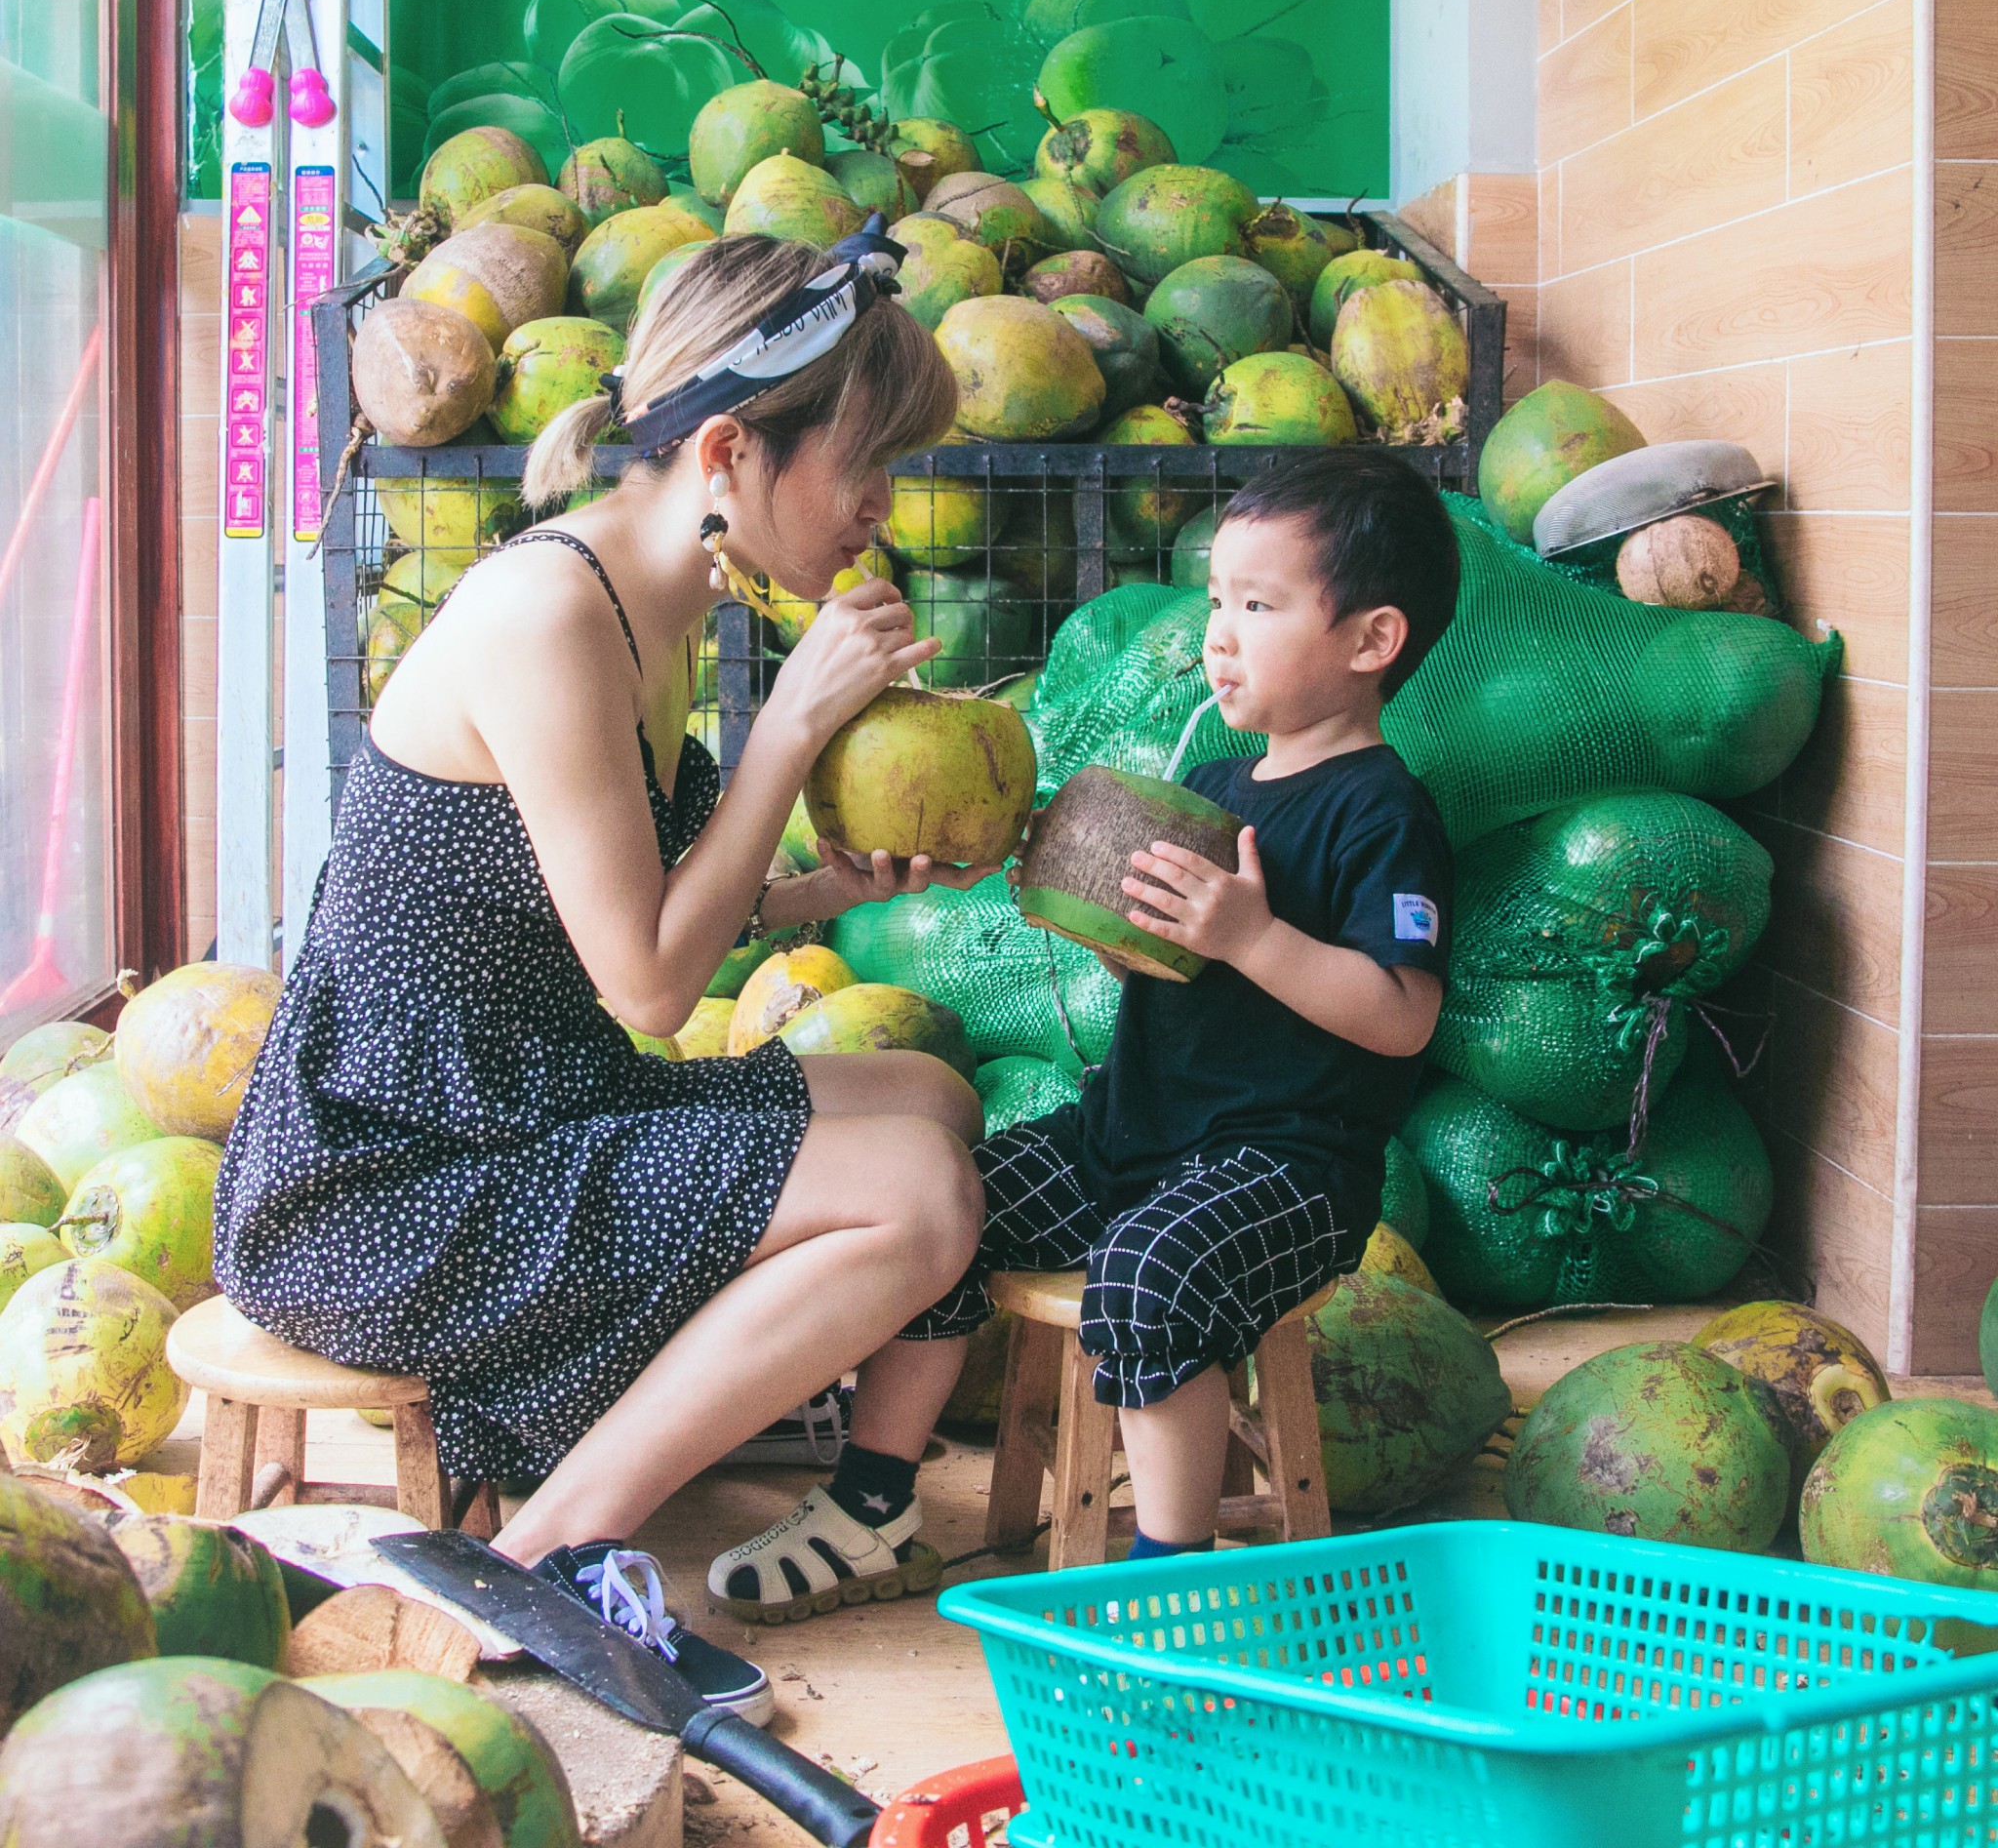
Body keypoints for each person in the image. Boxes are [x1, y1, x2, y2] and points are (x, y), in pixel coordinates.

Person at [215, 224, 995, 1724]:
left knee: (930, 1094)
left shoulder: (665, 608)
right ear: (727, 451)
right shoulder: (548, 611)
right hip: (386, 1181)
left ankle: (836, 1471)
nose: (882, 514)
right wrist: (787, 736)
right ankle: (553, 1544)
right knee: (917, 1192)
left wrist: (832, 885)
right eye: (866, 469)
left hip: (532, 1105)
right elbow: (646, 978)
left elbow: (649, 906)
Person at [709, 447, 1459, 1611]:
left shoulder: (1383, 813)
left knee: (1147, 1273)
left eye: (1256, 606)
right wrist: (1082, 902)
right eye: (1215, 601)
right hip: (1136, 1132)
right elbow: (1165, 961)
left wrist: (1253, 936)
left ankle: (1168, 1585)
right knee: (941, 1208)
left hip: (1286, 1171)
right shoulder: (1214, 778)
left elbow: (1403, 1015)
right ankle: (872, 1504)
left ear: (1369, 641)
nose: (1218, 633)